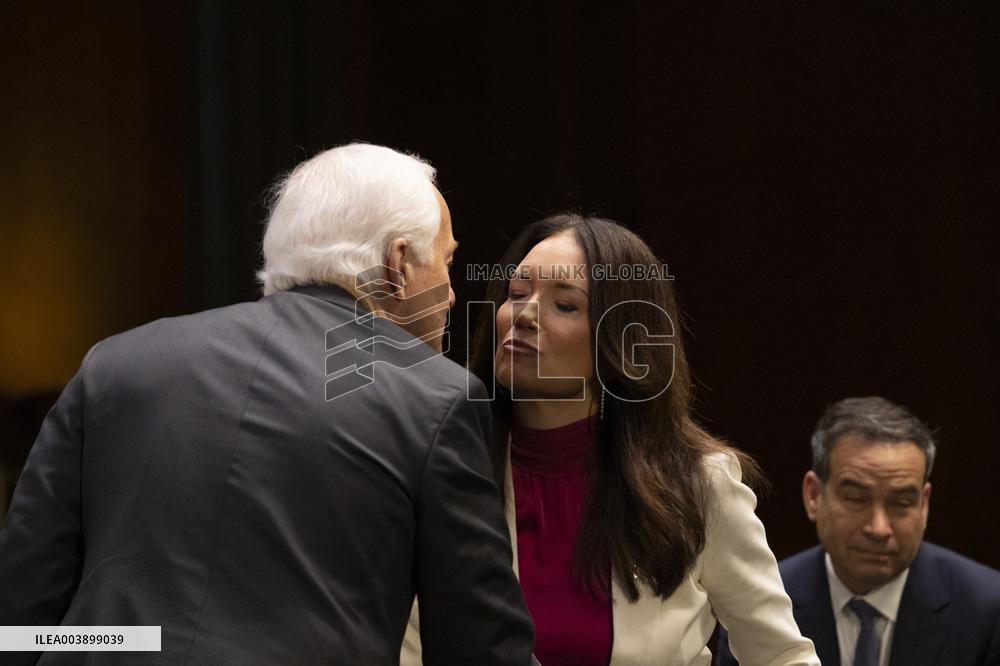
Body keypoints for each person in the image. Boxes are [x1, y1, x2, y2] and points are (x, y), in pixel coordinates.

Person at [0, 143, 534, 664]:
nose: (451, 293)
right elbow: (479, 647)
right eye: (446, 261)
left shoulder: (115, 363)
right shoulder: (438, 397)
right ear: (397, 264)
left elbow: (20, 615)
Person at [401, 214, 818, 665]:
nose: (522, 316)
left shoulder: (698, 484)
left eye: (565, 305)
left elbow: (782, 655)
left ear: (620, 339)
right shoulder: (442, 466)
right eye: (517, 294)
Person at [715, 396, 1000, 665]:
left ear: (924, 505)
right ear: (814, 495)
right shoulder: (754, 606)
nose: (878, 528)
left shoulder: (987, 610)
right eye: (855, 499)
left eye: (901, 503)